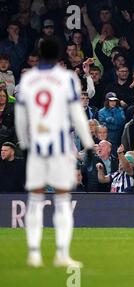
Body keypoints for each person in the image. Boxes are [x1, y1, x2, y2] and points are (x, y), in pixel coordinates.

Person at [14, 39, 94, 268]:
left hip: (37, 146)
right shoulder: (66, 78)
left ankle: (34, 253)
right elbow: (77, 113)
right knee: (62, 201)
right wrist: (88, 143)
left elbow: (21, 117)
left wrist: (26, 144)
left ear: (38, 54)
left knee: (35, 200)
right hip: (59, 148)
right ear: (59, 55)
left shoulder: (28, 79)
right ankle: (62, 254)